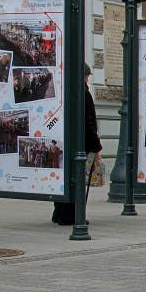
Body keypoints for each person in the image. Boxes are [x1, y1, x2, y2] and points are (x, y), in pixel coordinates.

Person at [52, 63, 102, 225]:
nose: (88, 79)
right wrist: (95, 144)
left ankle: (59, 212)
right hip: (81, 144)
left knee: (64, 177)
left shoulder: (64, 89)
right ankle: (72, 214)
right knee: (78, 180)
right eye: (87, 76)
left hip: (64, 141)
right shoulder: (83, 92)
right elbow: (88, 121)